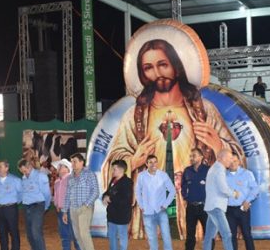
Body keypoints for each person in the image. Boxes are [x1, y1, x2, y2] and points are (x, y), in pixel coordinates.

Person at [103, 38, 243, 239]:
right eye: (149, 68)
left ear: (176, 67)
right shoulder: (134, 116)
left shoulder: (204, 110)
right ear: (143, 74)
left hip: (191, 193)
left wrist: (218, 145)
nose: (157, 73)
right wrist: (132, 161)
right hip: (152, 197)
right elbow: (114, 158)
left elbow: (237, 157)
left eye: (163, 65)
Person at [201, 149, 244, 250]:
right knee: (227, 234)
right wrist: (234, 193)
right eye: (230, 158)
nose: (231, 160)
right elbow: (223, 189)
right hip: (216, 207)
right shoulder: (219, 169)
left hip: (212, 206)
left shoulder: (214, 168)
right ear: (223, 158)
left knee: (209, 236)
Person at [135, 154, 176, 250]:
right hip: (147, 211)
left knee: (166, 234)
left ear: (157, 163)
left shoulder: (163, 175)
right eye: (150, 162)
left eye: (155, 162)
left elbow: (172, 190)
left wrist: (165, 205)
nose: (153, 164)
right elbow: (137, 191)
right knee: (151, 236)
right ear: (146, 164)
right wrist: (141, 205)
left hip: (161, 211)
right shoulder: (141, 176)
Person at [63, 153, 99, 250]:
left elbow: (95, 191)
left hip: (85, 208)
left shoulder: (89, 174)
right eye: (72, 162)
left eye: (75, 161)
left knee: (84, 232)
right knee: (77, 234)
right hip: (73, 208)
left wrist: (86, 204)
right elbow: (68, 194)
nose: (73, 164)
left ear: (81, 162)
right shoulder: (70, 177)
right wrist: (65, 211)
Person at [179, 148, 214, 250]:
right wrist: (186, 196)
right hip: (191, 207)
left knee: (208, 232)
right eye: (191, 156)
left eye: (194, 155)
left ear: (201, 157)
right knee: (190, 233)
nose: (191, 158)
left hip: (205, 207)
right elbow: (183, 186)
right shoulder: (187, 171)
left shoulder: (208, 170)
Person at [225, 152, 259, 250]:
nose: (233, 163)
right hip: (229, 209)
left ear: (239, 161)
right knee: (231, 235)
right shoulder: (224, 175)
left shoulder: (247, 174)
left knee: (247, 234)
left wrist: (248, 201)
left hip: (243, 209)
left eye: (235, 161)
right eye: (230, 161)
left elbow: (255, 189)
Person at [101, 160, 133, 250]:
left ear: (121, 170)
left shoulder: (127, 182)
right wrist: (105, 196)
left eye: (114, 169)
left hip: (122, 214)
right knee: (112, 237)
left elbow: (125, 198)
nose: (113, 171)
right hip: (112, 214)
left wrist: (110, 198)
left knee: (122, 237)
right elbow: (108, 192)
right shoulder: (113, 180)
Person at [18, 159, 51, 250]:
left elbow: (47, 193)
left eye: (25, 170)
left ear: (30, 167)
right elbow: (23, 193)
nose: (24, 173)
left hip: (38, 205)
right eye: (22, 171)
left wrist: (45, 206)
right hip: (27, 206)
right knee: (29, 233)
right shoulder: (24, 178)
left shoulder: (41, 176)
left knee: (35, 231)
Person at [51, 159, 81, 250]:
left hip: (69, 209)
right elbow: (56, 195)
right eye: (59, 167)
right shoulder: (57, 181)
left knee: (74, 232)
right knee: (64, 233)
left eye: (62, 166)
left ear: (68, 169)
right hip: (60, 210)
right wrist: (56, 204)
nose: (59, 168)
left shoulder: (71, 179)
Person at [0, 159, 22, 250]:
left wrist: (13, 203)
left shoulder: (15, 180)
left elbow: (21, 194)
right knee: (2, 232)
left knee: (13, 232)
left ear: (6, 168)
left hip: (10, 208)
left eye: (0, 167)